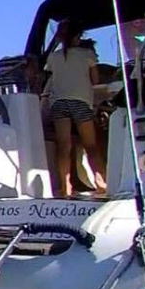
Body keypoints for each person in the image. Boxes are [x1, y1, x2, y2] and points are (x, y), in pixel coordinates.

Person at [44, 19, 109, 198]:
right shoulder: (87, 54)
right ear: (78, 36)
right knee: (91, 146)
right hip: (80, 102)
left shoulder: (53, 57)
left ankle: (65, 188)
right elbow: (95, 82)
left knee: (63, 147)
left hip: (59, 103)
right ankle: (101, 183)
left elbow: (52, 78)